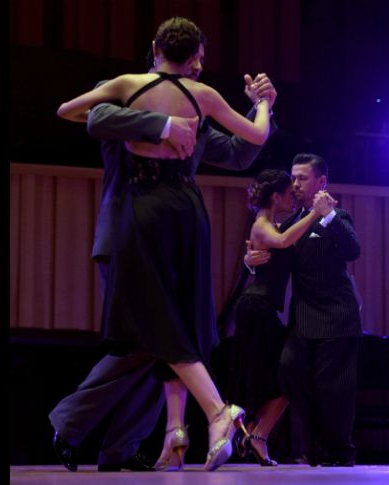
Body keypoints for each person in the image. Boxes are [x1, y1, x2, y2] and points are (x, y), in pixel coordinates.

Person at [49, 32, 277, 472]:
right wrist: (162, 126)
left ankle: (122, 443)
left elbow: (237, 153)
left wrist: (263, 106)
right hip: (125, 230)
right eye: (200, 57)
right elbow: (92, 116)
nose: (201, 65)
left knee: (152, 339)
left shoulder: (195, 105)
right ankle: (76, 424)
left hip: (174, 226)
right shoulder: (126, 92)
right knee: (145, 335)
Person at [227, 169, 335, 466]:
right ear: (277, 196)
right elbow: (285, 240)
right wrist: (315, 213)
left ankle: (256, 434)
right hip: (256, 307)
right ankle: (251, 434)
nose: (293, 195)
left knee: (284, 375)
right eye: (289, 192)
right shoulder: (263, 225)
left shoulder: (270, 225)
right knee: (286, 373)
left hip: (262, 307)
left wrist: (251, 261)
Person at [277, 153, 362, 467]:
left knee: (334, 387)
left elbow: (353, 250)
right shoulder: (292, 223)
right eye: (293, 178)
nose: (295, 184)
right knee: (289, 368)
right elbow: (275, 261)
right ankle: (323, 443)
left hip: (337, 316)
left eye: (302, 178)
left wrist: (328, 216)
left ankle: (339, 451)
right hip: (303, 317)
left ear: (321, 181)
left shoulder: (338, 217)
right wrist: (252, 264)